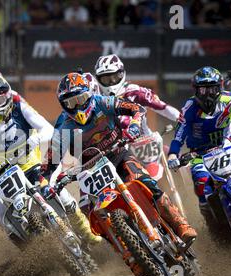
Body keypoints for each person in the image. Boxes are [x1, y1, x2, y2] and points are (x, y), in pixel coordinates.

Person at [51, 72, 197, 246]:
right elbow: (51, 159)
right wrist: (50, 181)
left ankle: (179, 223)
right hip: (90, 170)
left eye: (81, 99)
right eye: (70, 103)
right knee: (91, 212)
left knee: (146, 182)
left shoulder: (102, 102)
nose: (77, 106)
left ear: (89, 94)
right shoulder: (62, 125)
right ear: (63, 105)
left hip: (118, 153)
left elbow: (137, 109)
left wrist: (135, 126)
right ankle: (127, 252)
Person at [0, 70, 102, 245]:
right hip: (4, 177)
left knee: (58, 192)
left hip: (31, 167)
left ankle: (87, 233)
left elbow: (48, 129)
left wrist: (34, 139)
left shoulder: (20, 108)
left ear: (8, 95)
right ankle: (27, 251)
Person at [167, 66, 231, 231]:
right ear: (196, 90)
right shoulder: (189, 108)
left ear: (220, 87)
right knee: (202, 186)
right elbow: (178, 136)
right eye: (203, 90)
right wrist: (172, 155)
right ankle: (213, 227)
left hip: (227, 145)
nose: (208, 94)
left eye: (213, 89)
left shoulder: (229, 100)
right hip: (199, 154)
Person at [94, 54, 180, 135]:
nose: (111, 82)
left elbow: (163, 107)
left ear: (121, 74)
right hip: (110, 148)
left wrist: (181, 120)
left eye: (114, 77)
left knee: (168, 150)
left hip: (145, 144)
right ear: (98, 79)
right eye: (105, 79)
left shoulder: (134, 91)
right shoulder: (95, 99)